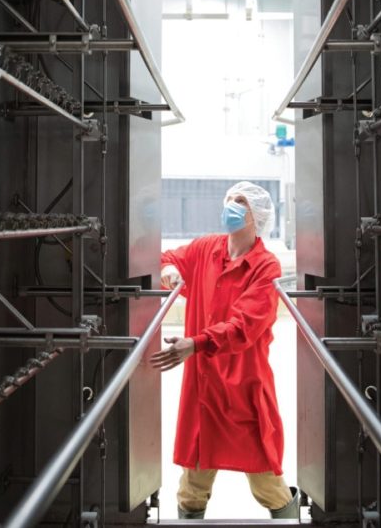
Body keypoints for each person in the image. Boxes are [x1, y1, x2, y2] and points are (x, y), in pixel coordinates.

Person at [150, 181, 300, 520]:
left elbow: (245, 325)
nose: (231, 205)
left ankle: (287, 517)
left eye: (240, 202)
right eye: (230, 199)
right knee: (192, 483)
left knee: (265, 479)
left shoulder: (266, 266)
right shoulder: (206, 249)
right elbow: (167, 257)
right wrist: (169, 269)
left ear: (256, 215)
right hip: (204, 382)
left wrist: (197, 343)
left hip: (244, 383)